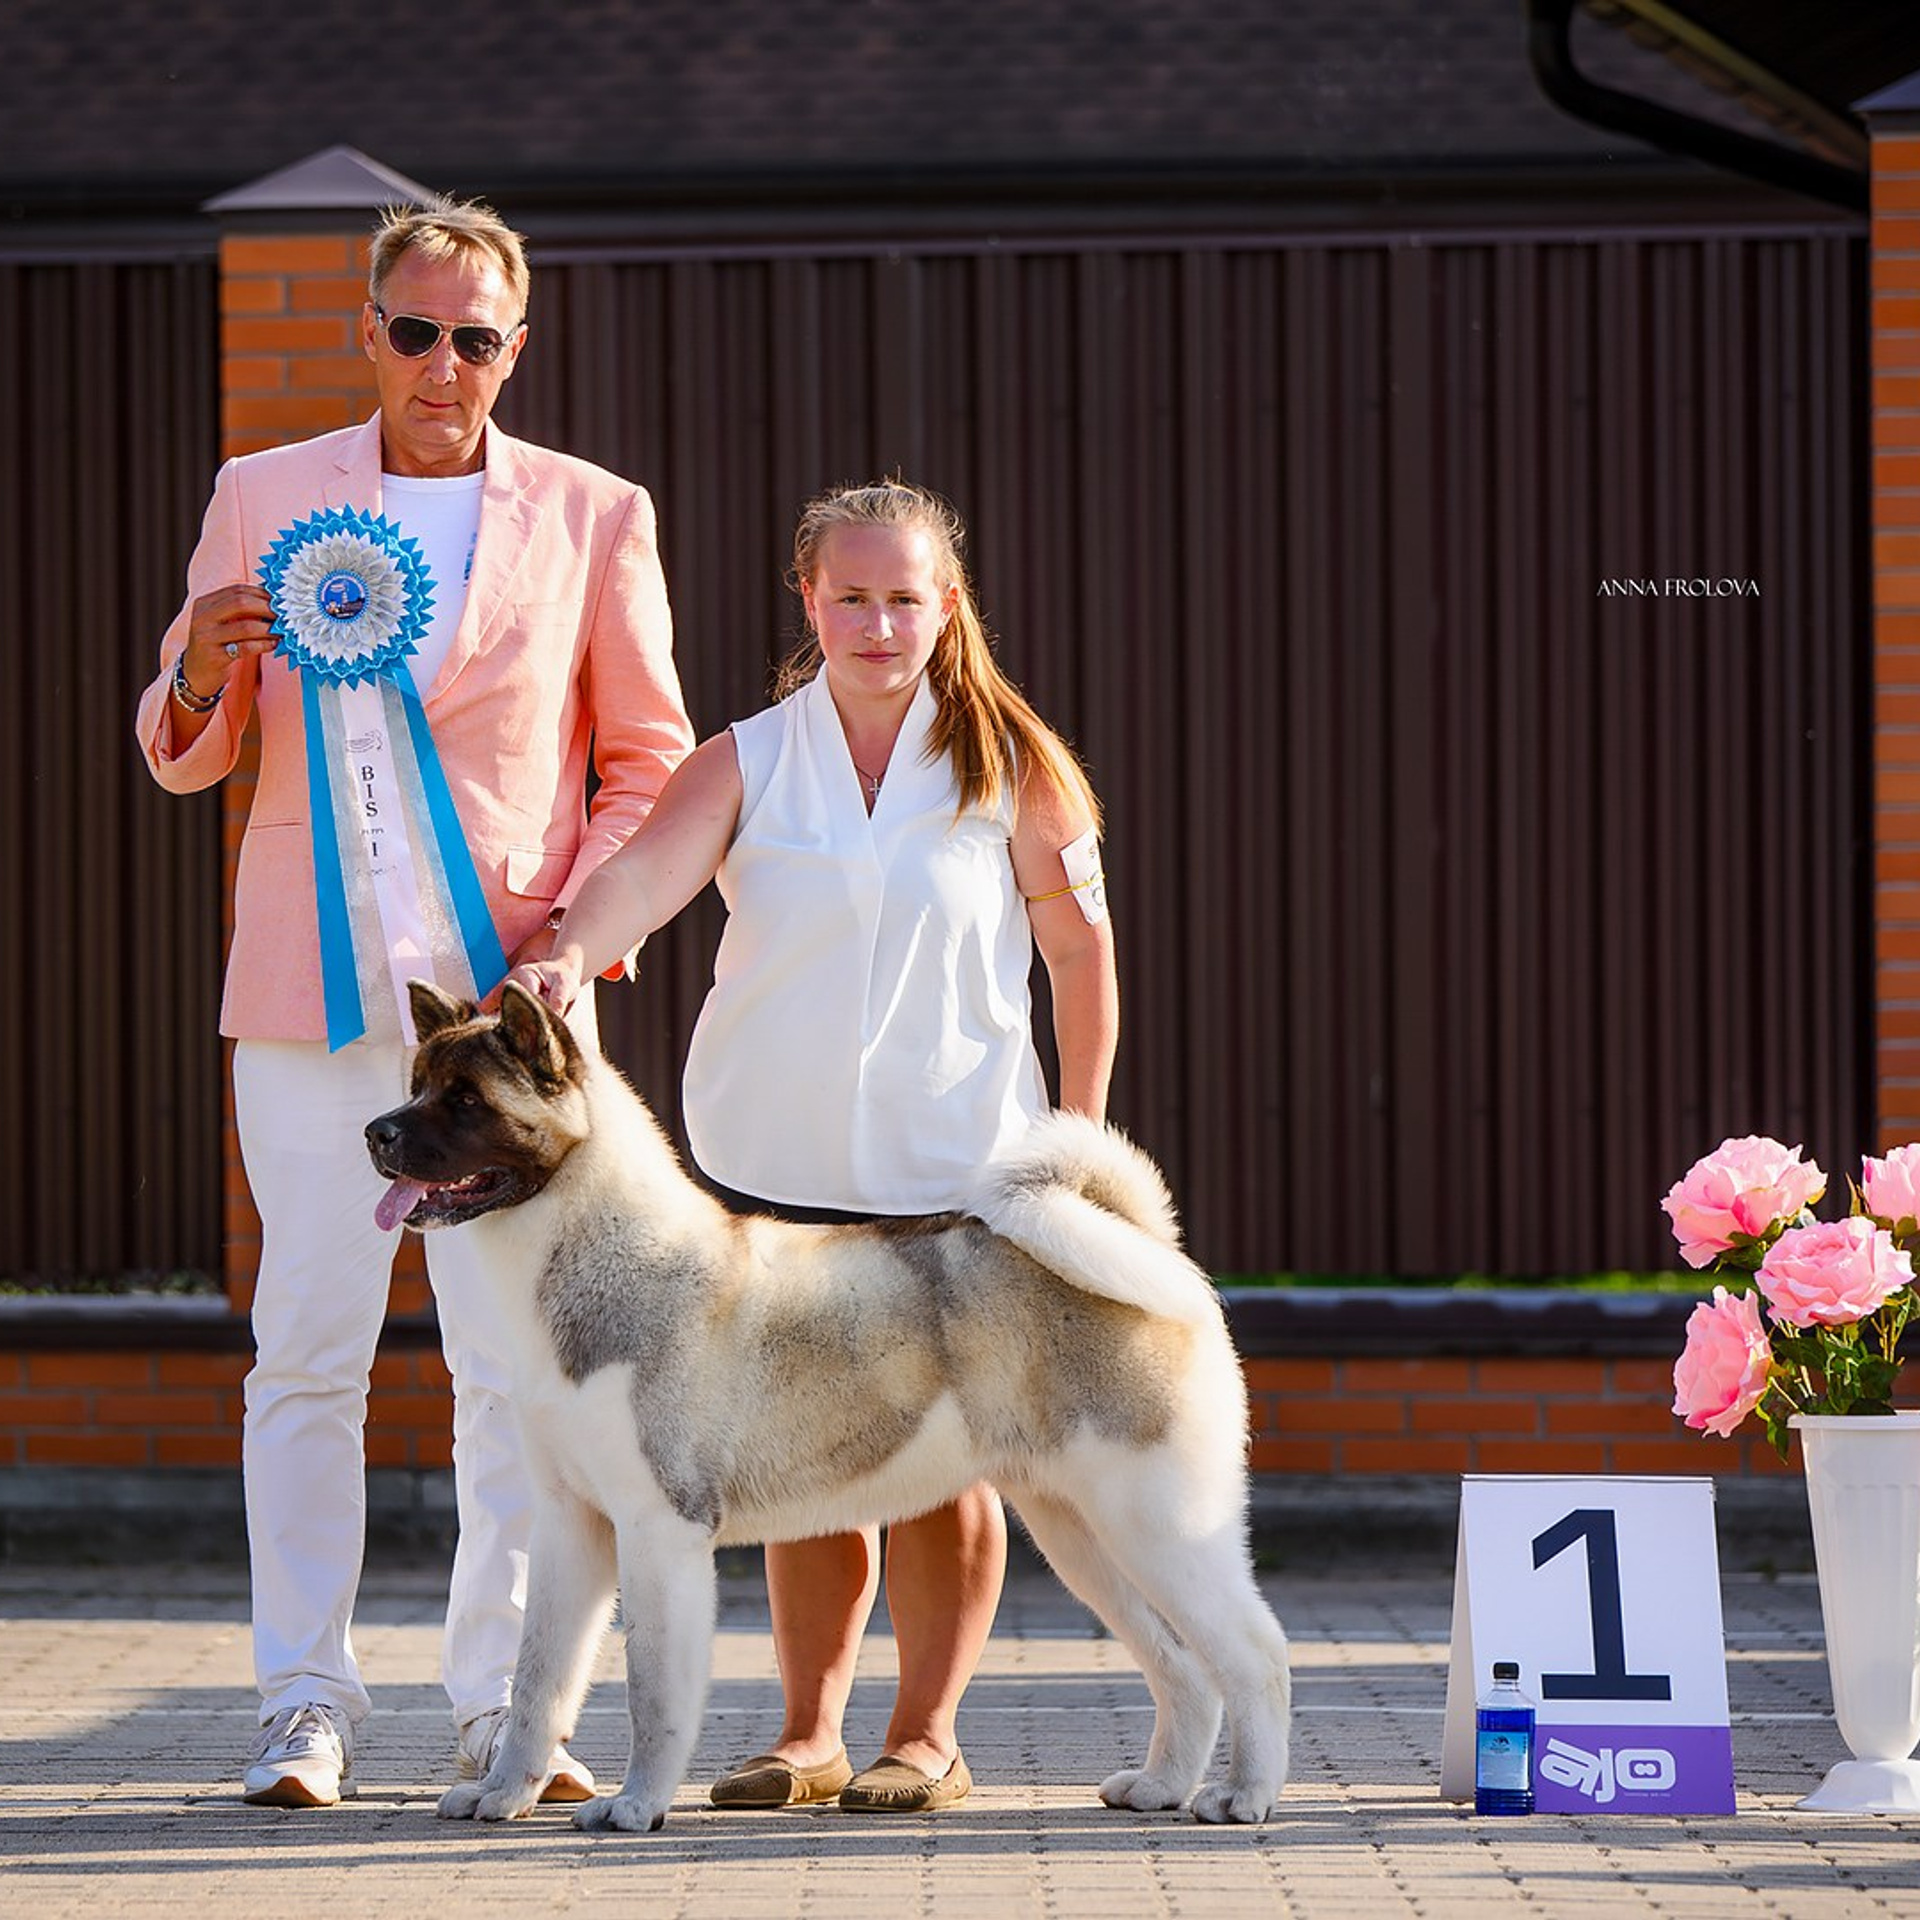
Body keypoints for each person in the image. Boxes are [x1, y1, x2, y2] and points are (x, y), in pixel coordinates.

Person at [134, 196, 694, 1807]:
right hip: (305, 998)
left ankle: (504, 1709)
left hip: (510, 1019)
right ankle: (301, 1704)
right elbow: (187, 753)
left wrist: (570, 945)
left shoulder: (597, 512)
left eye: (475, 339)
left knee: (508, 1371)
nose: (443, 364)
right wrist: (194, 669)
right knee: (307, 1349)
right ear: (366, 333)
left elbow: (647, 764)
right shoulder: (262, 496)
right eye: (414, 331)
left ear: (516, 348)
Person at [511, 478, 1118, 1813]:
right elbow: (643, 877)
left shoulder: (1015, 764)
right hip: (773, 1168)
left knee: (947, 1459)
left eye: (904, 598)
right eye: (851, 597)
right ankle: (806, 1736)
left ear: (946, 604)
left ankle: (927, 1737)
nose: (878, 624)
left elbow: (1081, 956)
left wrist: (1077, 1141)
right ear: (809, 598)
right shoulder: (746, 757)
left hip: (957, 1171)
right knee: (798, 1452)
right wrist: (567, 952)